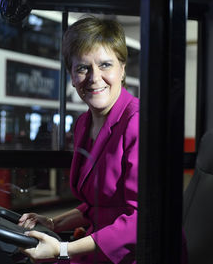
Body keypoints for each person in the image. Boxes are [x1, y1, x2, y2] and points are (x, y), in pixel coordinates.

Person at [18, 16, 139, 263]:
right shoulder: (84, 124)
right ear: (72, 77)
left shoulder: (138, 121)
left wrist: (63, 250)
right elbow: (100, 205)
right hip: (97, 248)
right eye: (82, 68)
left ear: (122, 69)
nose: (94, 78)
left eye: (105, 65)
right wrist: (53, 222)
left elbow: (142, 218)